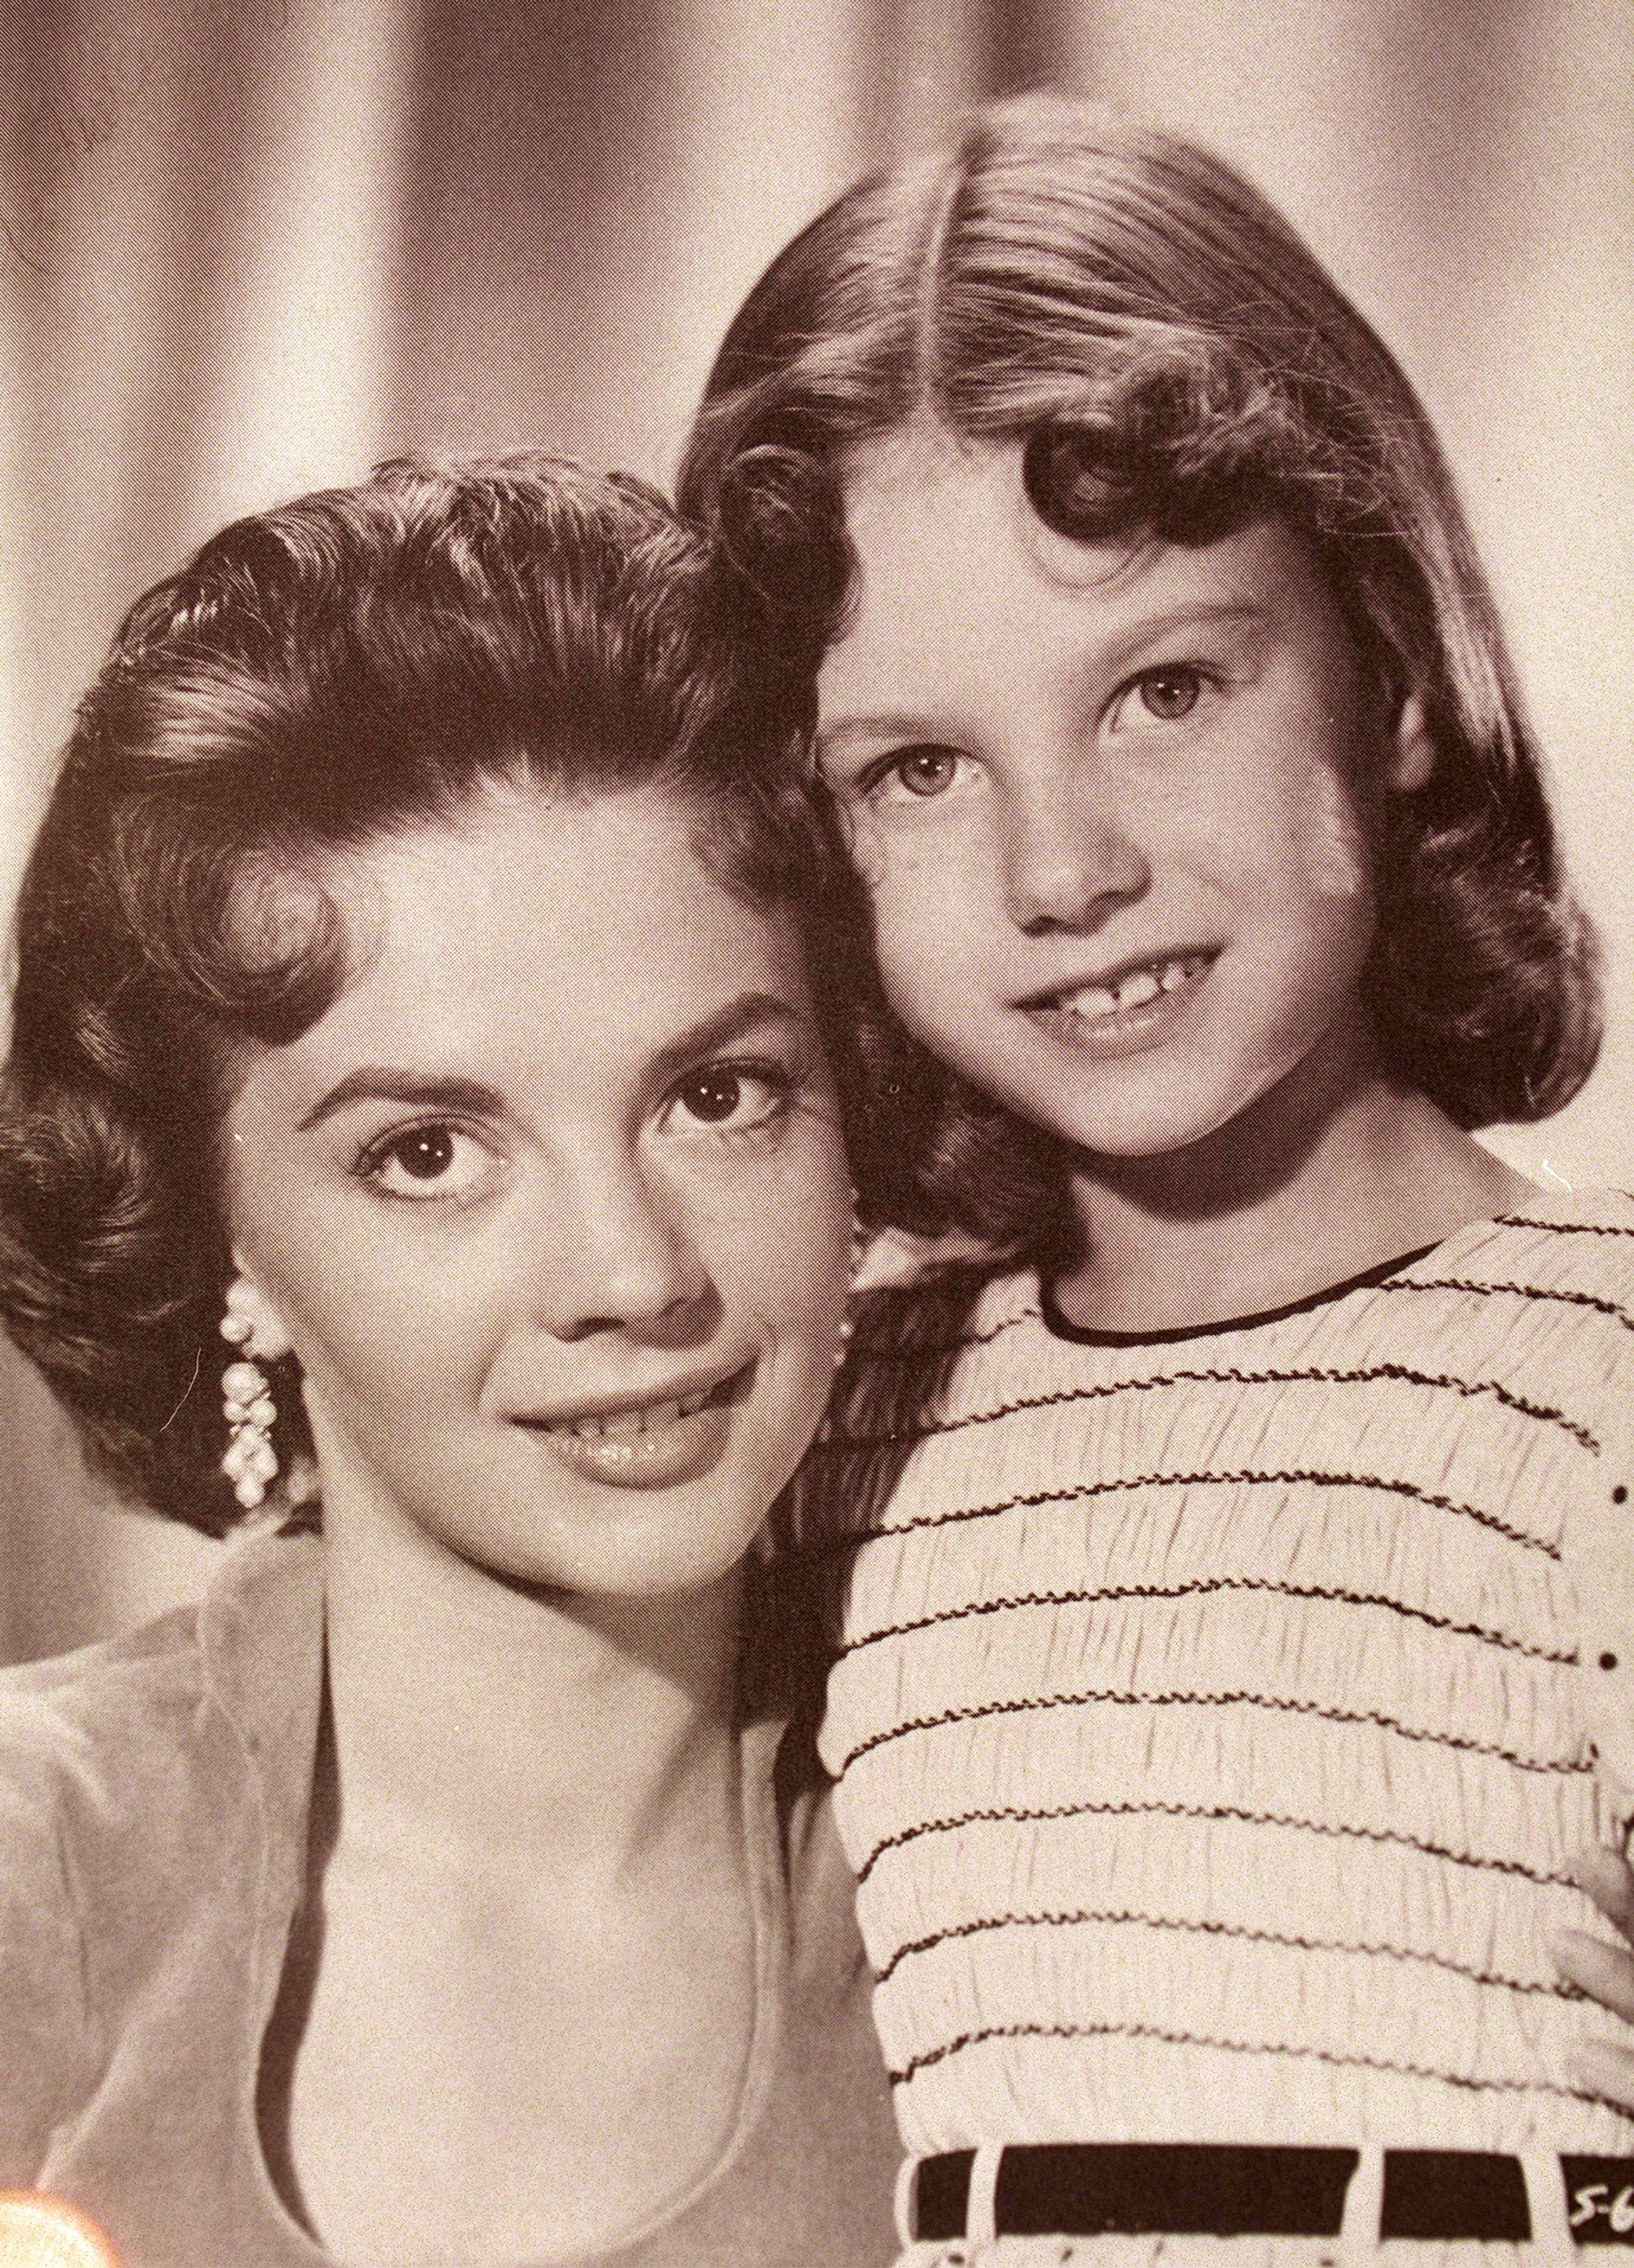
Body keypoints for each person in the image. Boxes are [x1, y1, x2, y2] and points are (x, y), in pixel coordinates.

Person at [680, 98, 1634, 2259]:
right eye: (917, 768)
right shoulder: (828, 1428)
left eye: (1167, 687)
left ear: (1389, 671)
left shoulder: (1603, 1390)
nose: (1063, 869)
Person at [0, 455, 904, 2267]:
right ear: (222, 1239)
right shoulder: (33, 1871)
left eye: (717, 1096)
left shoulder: (1034, 1846)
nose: (630, 1274)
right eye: (427, 1152)